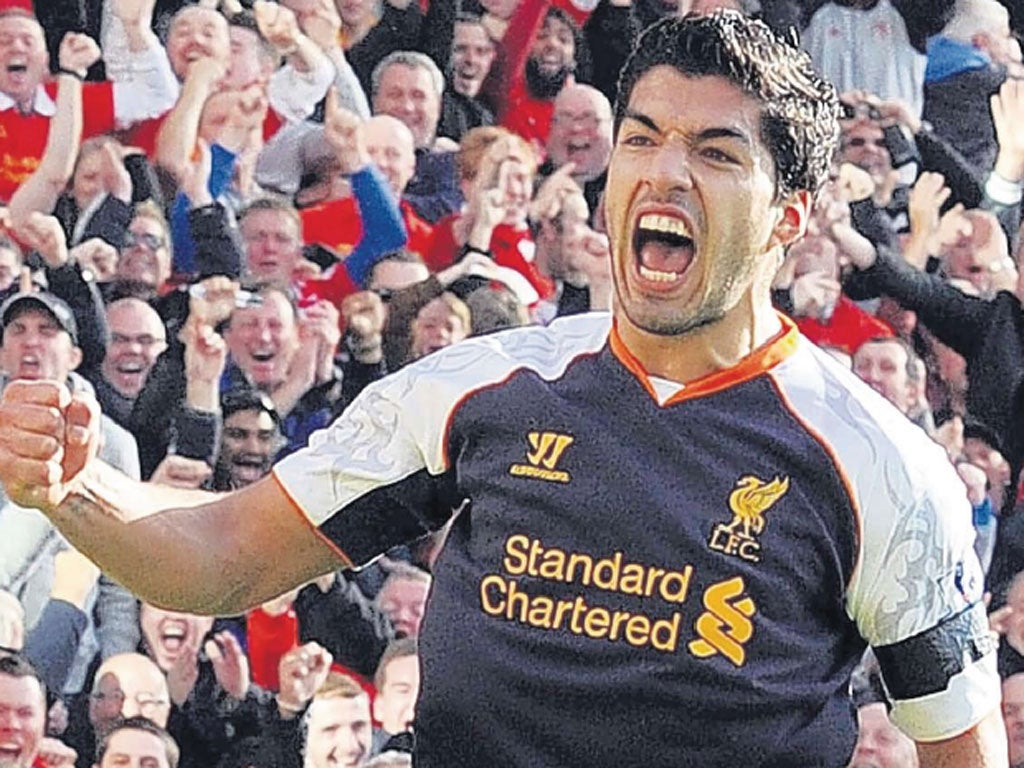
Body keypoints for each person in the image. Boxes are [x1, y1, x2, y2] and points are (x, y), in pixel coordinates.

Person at [0, 11, 1006, 767]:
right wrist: (74, 488)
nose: (663, 173)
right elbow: (219, 558)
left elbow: (958, 750)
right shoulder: (482, 386)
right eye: (643, 137)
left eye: (713, 152)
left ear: (787, 218)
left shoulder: (880, 467)